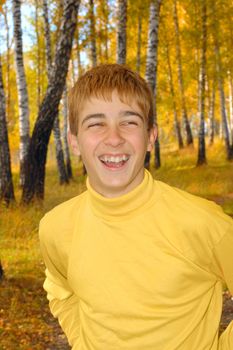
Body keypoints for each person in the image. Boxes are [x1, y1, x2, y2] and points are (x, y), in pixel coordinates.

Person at [39, 64, 233, 350]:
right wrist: (81, 341)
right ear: (74, 142)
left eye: (129, 122)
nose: (114, 137)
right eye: (96, 123)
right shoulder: (56, 227)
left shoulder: (203, 224)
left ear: (151, 136)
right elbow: (60, 291)